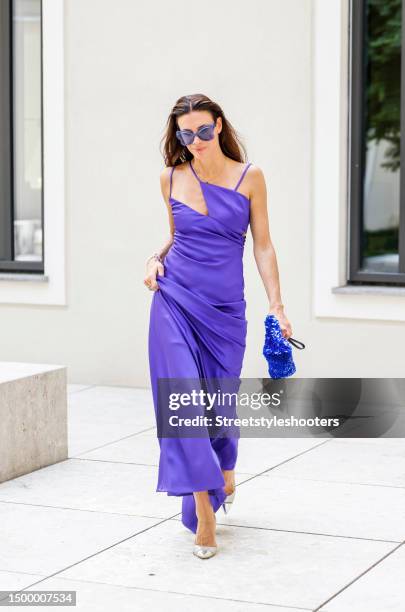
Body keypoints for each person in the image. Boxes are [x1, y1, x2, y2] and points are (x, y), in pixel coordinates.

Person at [145, 93, 292, 559]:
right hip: (174, 300)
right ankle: (203, 512)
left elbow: (263, 246)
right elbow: (175, 237)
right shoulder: (170, 177)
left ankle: (224, 469)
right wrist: (154, 258)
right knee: (182, 401)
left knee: (219, 408)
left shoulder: (251, 178)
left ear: (220, 126)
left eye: (204, 131)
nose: (196, 141)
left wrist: (278, 305)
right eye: (187, 134)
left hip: (225, 312)